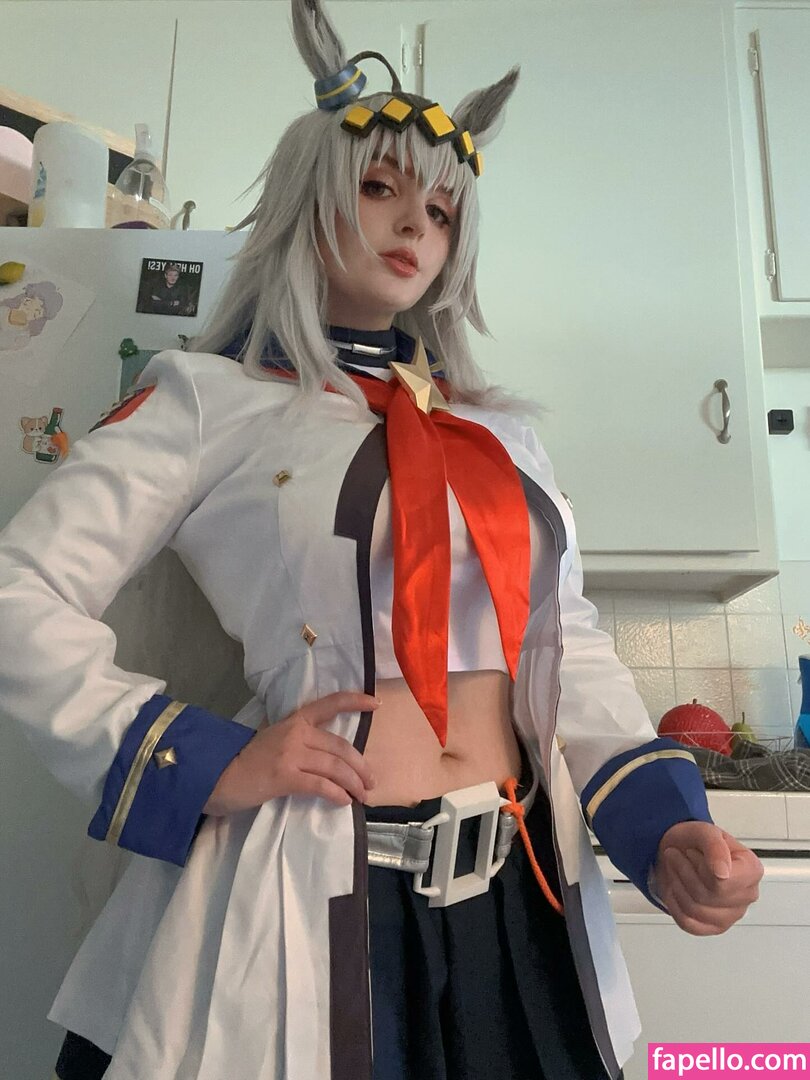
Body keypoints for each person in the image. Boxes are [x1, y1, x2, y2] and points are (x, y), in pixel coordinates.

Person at [0, 2, 762, 1078]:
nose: (416, 226)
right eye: (380, 189)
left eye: (442, 210)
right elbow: (21, 590)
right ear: (309, 196)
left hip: (520, 898)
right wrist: (201, 757)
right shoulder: (209, 402)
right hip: (305, 888)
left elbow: (564, 642)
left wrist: (665, 826)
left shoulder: (502, 435)